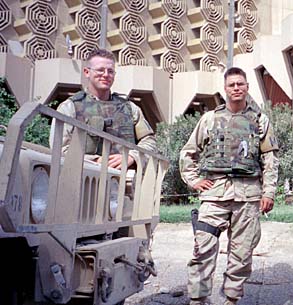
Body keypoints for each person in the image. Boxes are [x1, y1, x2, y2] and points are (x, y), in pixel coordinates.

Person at [180, 67, 279, 305]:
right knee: (202, 248)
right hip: (214, 194)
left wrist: (269, 192)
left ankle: (231, 299)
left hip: (248, 195)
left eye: (240, 84)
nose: (236, 88)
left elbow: (270, 159)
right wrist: (194, 180)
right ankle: (198, 299)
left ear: (247, 87)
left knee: (242, 252)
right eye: (232, 85)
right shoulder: (209, 119)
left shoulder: (259, 120)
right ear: (224, 89)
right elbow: (188, 152)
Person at [49, 48, 156, 167]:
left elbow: (150, 141)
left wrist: (132, 156)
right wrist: (96, 162)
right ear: (86, 72)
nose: (106, 75)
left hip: (124, 180)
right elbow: (59, 149)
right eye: (100, 70)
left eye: (110, 71)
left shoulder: (130, 108)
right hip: (84, 178)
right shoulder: (70, 107)